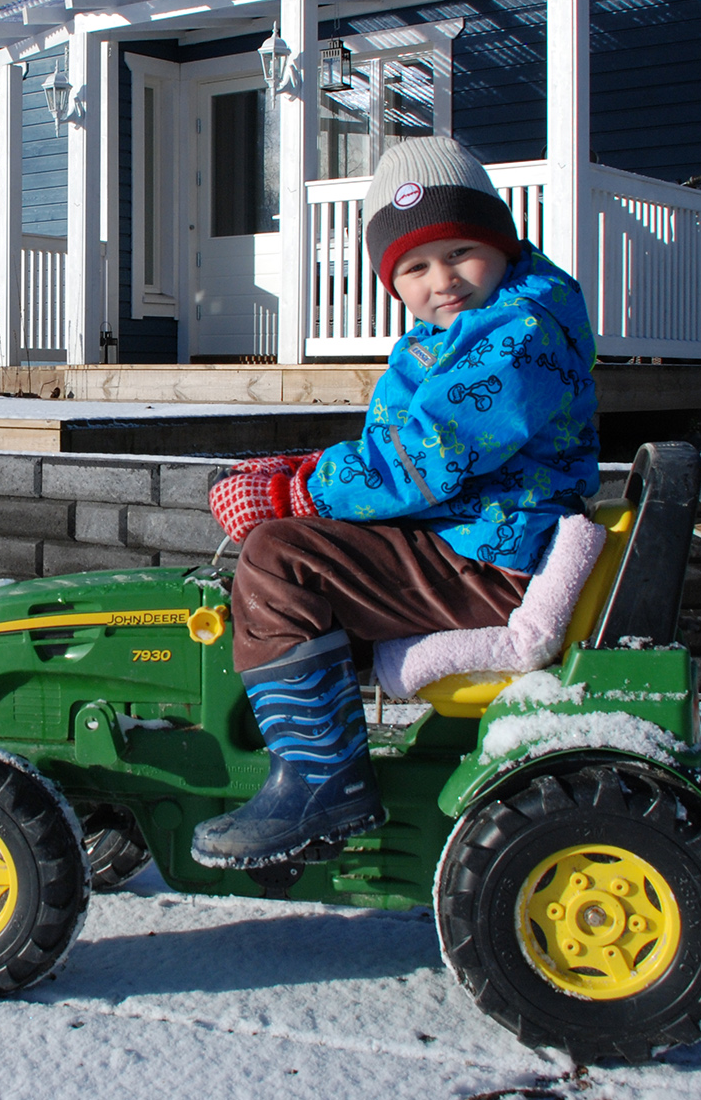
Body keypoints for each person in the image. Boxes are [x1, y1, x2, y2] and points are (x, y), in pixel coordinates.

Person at [193, 136, 600, 869]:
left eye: (459, 252)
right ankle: (312, 747)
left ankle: (321, 781)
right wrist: (308, 472)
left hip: (491, 554)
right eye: (414, 266)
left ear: (501, 245)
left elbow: (425, 459)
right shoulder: (456, 333)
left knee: (281, 560)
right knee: (298, 546)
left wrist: (295, 492)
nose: (441, 279)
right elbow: (398, 448)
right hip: (472, 537)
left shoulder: (518, 334)